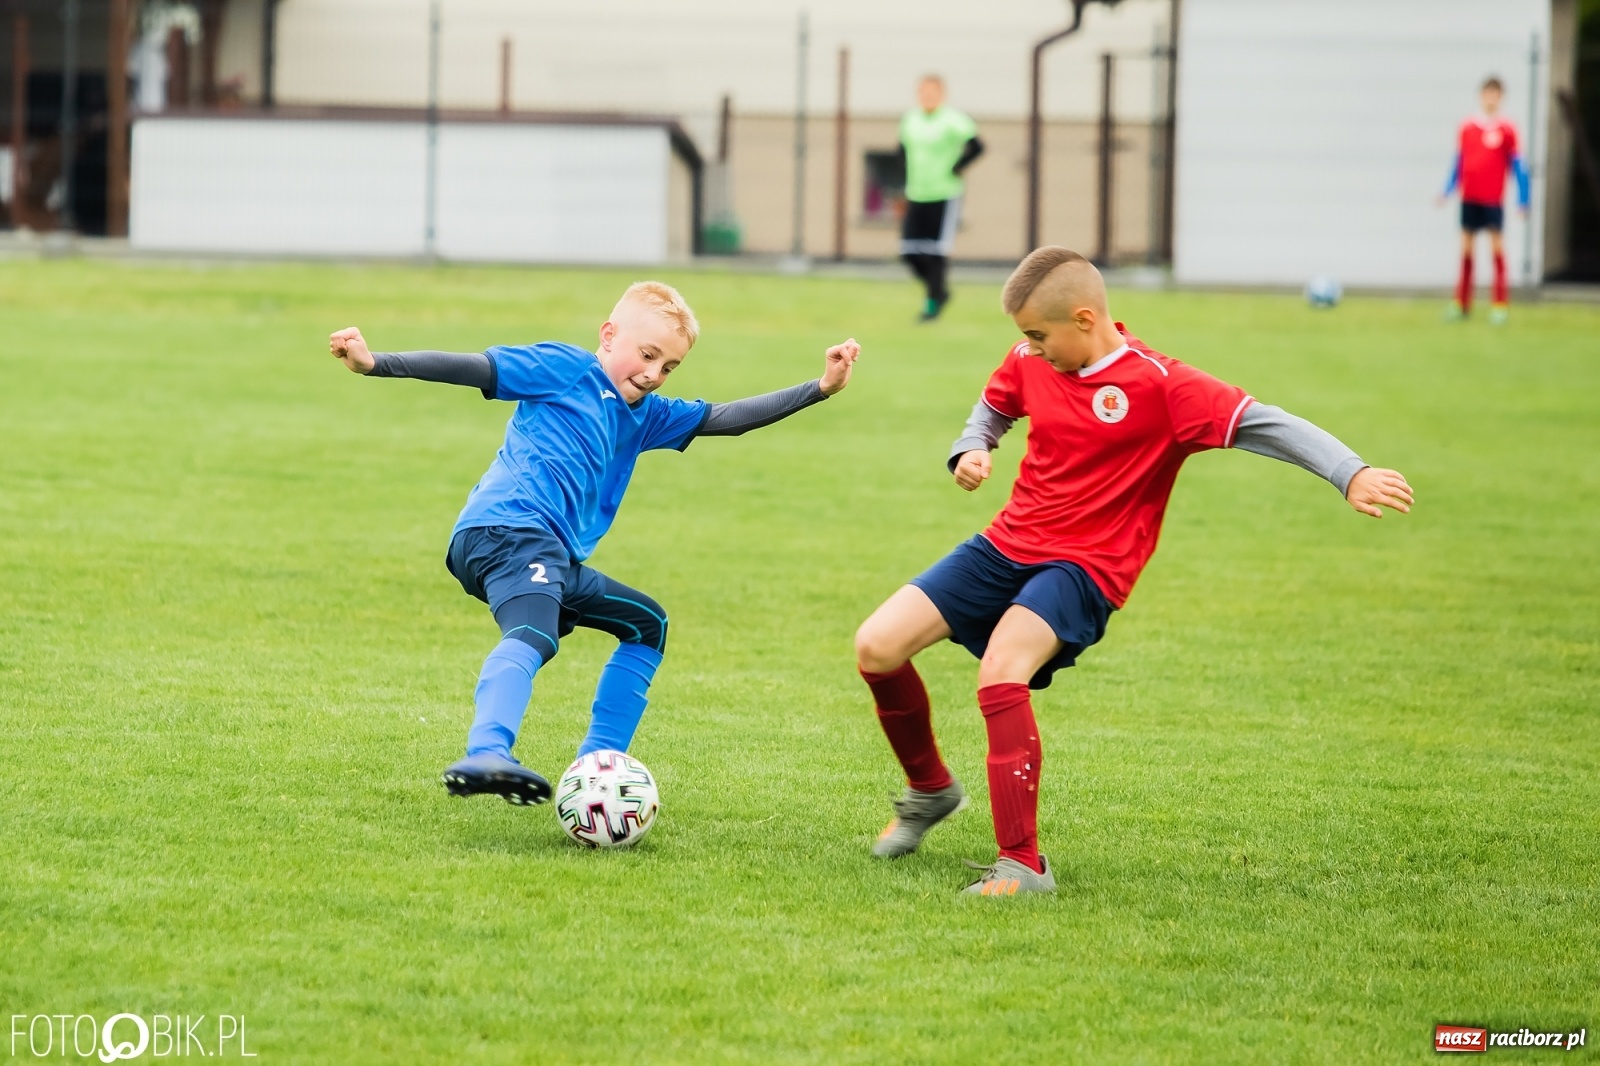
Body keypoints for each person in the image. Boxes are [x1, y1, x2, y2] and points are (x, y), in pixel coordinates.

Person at [853, 247, 1413, 897]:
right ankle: (930, 791)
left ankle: (1022, 866)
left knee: (1001, 669)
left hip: (1087, 567)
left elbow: (1265, 424)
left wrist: (1351, 472)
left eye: (1039, 335)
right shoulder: (1029, 359)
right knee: (877, 645)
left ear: (1086, 318)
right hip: (1008, 543)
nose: (1029, 350)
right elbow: (995, 403)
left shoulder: (1164, 387)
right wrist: (972, 448)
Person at [329, 282, 860, 804]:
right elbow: (475, 368)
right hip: (506, 532)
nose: (653, 374)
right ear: (609, 335)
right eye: (647, 355)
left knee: (647, 624)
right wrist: (377, 363)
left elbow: (727, 419)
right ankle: (487, 751)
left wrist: (820, 388)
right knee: (535, 633)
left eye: (669, 367)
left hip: (549, 556)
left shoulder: (648, 415)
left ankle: (600, 767)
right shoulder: (566, 369)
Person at [1437, 76, 1531, 324]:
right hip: (1470, 198)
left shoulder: (1507, 130)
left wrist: (1523, 199)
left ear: (1500, 98)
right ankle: (1461, 303)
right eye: (1487, 94)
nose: (1490, 99)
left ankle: (1499, 304)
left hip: (1492, 200)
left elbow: (1518, 166)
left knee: (1496, 250)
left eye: (1495, 95)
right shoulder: (1468, 127)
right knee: (1466, 250)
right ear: (1481, 96)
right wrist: (1447, 190)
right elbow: (1459, 163)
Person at [898, 75, 984, 323]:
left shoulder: (953, 120)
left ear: (941, 94)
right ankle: (940, 291)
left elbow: (977, 147)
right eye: (923, 92)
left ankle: (932, 304)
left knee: (936, 252)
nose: (927, 97)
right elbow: (901, 151)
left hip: (944, 194)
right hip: (916, 193)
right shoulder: (910, 120)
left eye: (932, 93)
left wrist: (956, 168)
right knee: (909, 251)